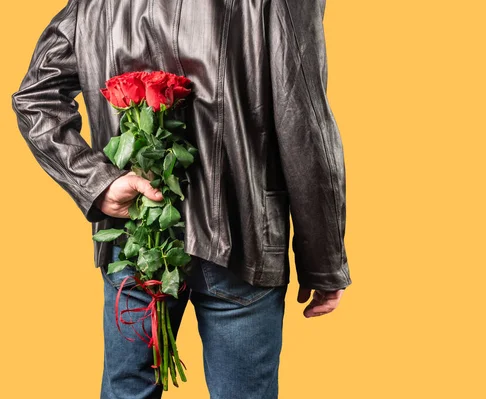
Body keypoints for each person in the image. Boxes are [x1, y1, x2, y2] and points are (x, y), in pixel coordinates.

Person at [11, 0, 351, 398]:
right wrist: (324, 262)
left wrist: (99, 184)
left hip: (135, 236)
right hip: (240, 238)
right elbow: (304, 120)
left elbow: (35, 96)